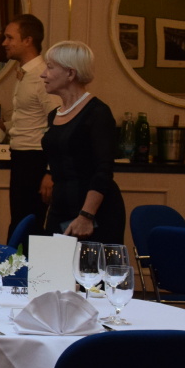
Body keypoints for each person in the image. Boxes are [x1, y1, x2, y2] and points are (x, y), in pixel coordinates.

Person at [39, 40, 125, 243]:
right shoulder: (54, 115)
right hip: (60, 209)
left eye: (50, 67)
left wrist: (86, 215)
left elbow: (103, 170)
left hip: (94, 213)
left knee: (90, 265)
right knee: (51, 263)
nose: (43, 74)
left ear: (70, 73)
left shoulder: (98, 113)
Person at [0, 14, 60, 245]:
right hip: (22, 158)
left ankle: (18, 266)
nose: (4, 43)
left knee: (28, 226)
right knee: (20, 222)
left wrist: (51, 171)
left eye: (9, 37)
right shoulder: (25, 74)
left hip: (36, 160)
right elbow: (32, 118)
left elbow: (58, 123)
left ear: (28, 40)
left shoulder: (43, 76)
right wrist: (5, 128)